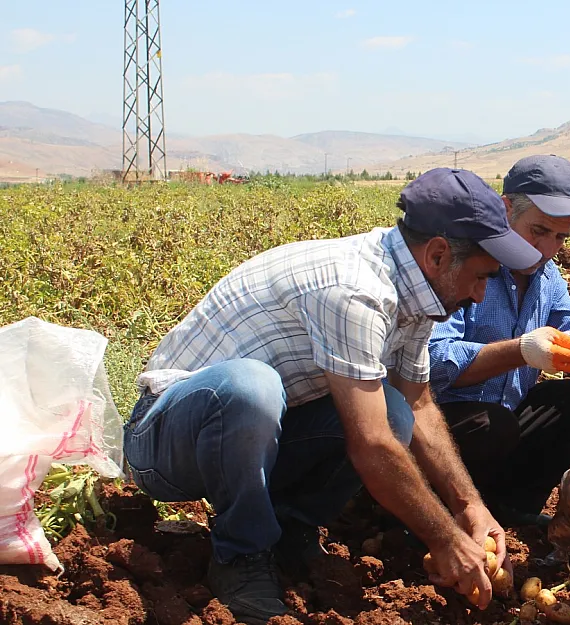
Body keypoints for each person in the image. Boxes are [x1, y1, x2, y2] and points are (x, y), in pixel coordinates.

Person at [123, 168, 542, 624]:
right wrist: (445, 541)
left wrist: (470, 507)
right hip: (165, 443)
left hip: (258, 437)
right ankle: (240, 553)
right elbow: (371, 445)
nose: (481, 295)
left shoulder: (421, 287)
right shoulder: (355, 290)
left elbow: (419, 404)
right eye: (480, 277)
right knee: (253, 387)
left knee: (395, 412)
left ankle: (289, 528)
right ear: (439, 254)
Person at [429, 155, 570, 527]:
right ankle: (432, 515)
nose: (548, 249)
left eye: (560, 237)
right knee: (491, 425)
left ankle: (511, 508)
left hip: (503, 420)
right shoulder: (466, 263)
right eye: (538, 231)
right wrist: (521, 351)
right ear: (505, 210)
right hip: (439, 425)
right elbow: (435, 362)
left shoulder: (546, 274)